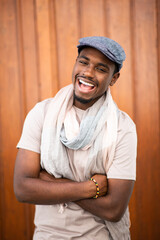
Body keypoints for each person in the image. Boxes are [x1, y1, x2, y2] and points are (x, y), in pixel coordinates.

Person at [14, 36, 137, 240]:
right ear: (76, 62)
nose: (88, 72)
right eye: (83, 62)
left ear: (114, 79)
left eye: (101, 68)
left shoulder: (122, 127)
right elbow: (22, 189)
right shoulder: (42, 113)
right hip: (47, 235)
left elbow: (114, 210)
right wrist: (90, 188)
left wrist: (52, 182)